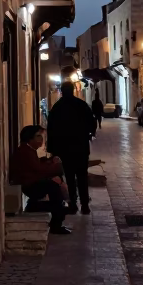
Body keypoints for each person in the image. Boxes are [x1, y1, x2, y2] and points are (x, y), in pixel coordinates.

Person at [8, 124, 71, 234]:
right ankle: (57, 221)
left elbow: (36, 167)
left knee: (55, 184)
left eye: (42, 137)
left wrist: (51, 162)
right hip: (29, 185)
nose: (41, 140)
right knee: (54, 186)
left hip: (31, 181)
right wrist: (55, 168)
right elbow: (38, 170)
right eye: (38, 136)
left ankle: (59, 208)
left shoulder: (28, 150)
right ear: (30, 138)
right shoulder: (25, 151)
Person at [47, 81, 97, 215]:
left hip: (64, 149)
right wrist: (89, 134)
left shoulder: (57, 108)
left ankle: (73, 204)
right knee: (82, 176)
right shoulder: (81, 105)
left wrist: (52, 150)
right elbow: (92, 123)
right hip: (80, 148)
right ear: (73, 90)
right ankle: (85, 205)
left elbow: (51, 129)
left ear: (62, 91)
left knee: (69, 177)